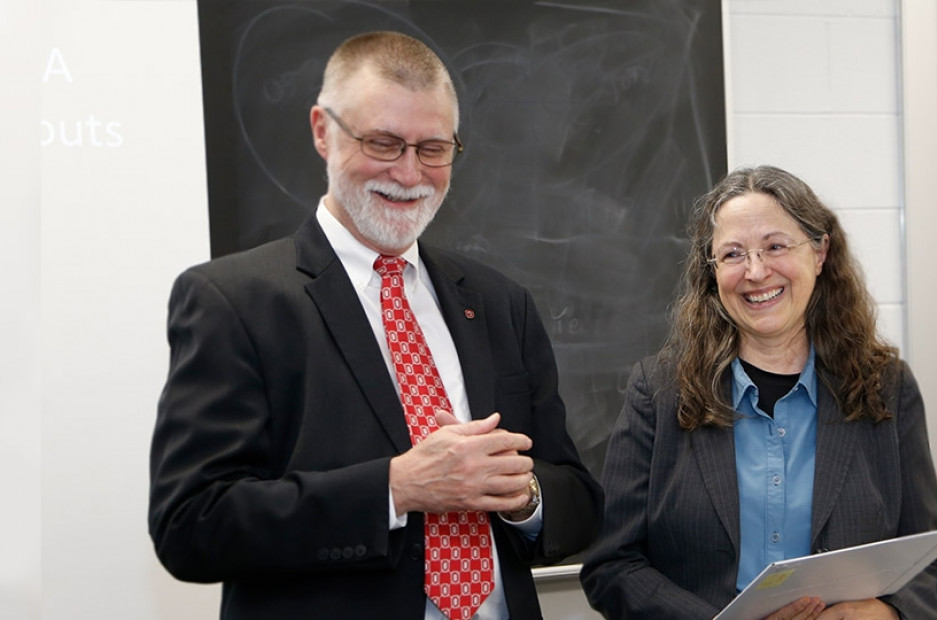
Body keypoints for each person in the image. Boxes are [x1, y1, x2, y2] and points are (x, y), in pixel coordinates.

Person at [149, 31, 602, 620]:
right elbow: (192, 525)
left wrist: (524, 495)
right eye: (383, 143)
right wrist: (396, 488)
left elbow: (579, 501)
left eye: (433, 149)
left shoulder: (498, 303)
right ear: (322, 130)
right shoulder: (231, 301)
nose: (409, 173)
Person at [580, 165, 937, 619]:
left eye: (776, 246)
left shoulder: (886, 387)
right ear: (712, 272)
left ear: (820, 253)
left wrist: (886, 614)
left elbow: (933, 563)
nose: (756, 272)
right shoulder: (658, 394)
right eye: (733, 254)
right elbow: (612, 567)